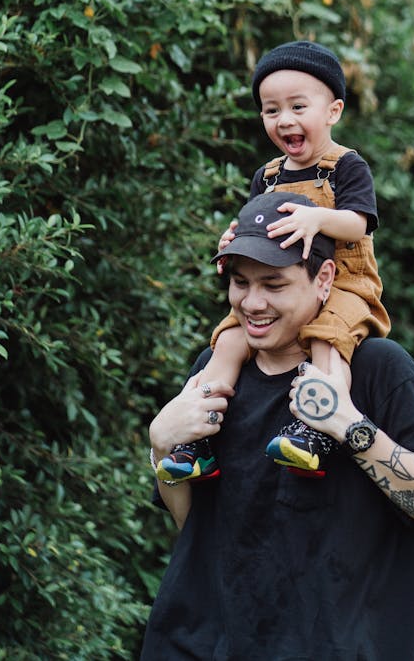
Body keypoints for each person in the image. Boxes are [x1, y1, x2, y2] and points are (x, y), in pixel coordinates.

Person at [141, 191, 414, 661]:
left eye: (273, 285)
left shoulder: (378, 370)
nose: (252, 303)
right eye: (239, 283)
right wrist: (160, 446)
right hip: (197, 644)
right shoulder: (215, 371)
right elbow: (196, 525)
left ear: (324, 279)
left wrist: (350, 426)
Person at [156, 39, 391, 483]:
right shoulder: (267, 175)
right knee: (225, 344)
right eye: (271, 110)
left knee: (326, 342)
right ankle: (199, 436)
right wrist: (234, 236)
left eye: (298, 106)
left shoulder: (345, 166)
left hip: (344, 287)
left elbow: (359, 224)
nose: (285, 120)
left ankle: (316, 429)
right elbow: (254, 229)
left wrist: (317, 217)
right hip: (281, 284)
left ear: (333, 111)